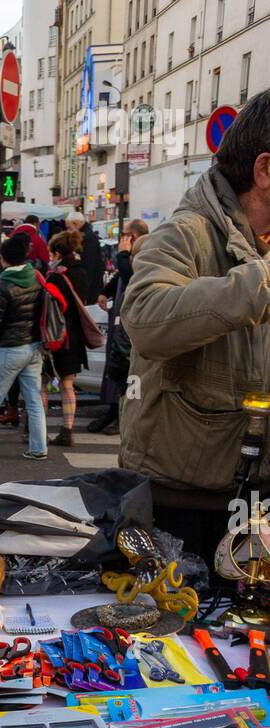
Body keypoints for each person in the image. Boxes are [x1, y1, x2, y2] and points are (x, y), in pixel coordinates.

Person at [120, 88, 270, 565]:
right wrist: (261, 283)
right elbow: (144, 316)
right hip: (184, 505)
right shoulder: (187, 232)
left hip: (255, 497)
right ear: (265, 170)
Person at [0, 231, 47, 468]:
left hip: (9, 348)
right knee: (34, 399)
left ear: (4, 259)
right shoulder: (36, 278)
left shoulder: (4, 285)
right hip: (33, 346)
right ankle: (38, 448)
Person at [90, 219, 149, 434]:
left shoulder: (144, 254)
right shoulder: (131, 255)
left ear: (133, 236)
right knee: (115, 368)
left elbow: (131, 277)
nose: (122, 239)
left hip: (133, 323)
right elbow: (119, 276)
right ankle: (113, 410)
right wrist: (105, 291)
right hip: (121, 320)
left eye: (125, 235)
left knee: (127, 370)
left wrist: (123, 254)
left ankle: (122, 415)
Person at [45, 229, 90, 448]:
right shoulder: (81, 272)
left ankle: (37, 429)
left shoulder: (56, 276)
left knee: (42, 383)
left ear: (56, 252)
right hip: (75, 335)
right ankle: (68, 429)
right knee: (68, 384)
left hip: (57, 335)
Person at [65, 210, 103, 304]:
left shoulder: (87, 239)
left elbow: (88, 266)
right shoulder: (86, 235)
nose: (67, 231)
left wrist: (84, 292)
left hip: (89, 289)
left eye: (69, 227)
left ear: (76, 224)